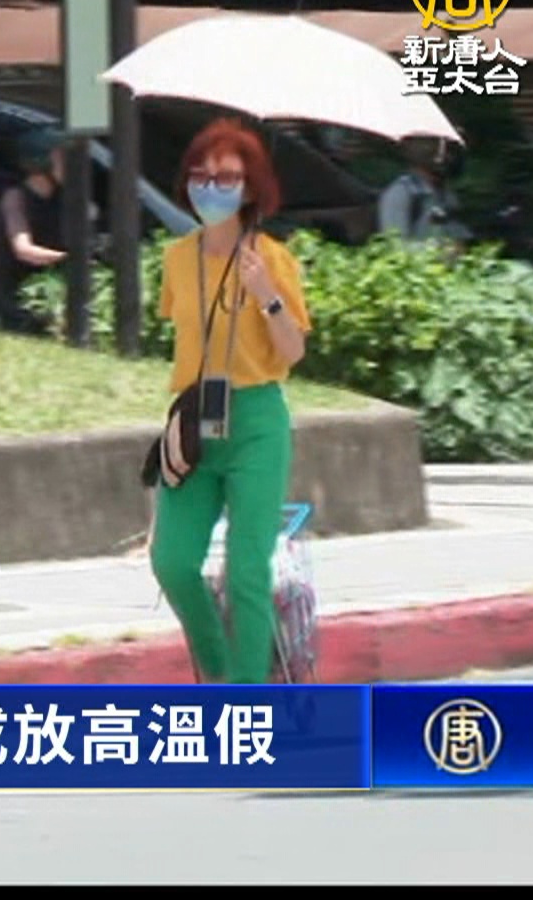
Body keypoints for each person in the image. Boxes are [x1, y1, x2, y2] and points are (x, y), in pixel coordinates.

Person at [149, 117, 313, 685]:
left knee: (247, 570)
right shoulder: (177, 258)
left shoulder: (272, 259)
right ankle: (219, 674)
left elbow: (292, 351)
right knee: (172, 562)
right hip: (194, 419)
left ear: (250, 189)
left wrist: (266, 294)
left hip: (256, 421)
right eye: (200, 175)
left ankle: (248, 701)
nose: (210, 187)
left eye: (226, 178)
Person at [0, 126, 74, 332]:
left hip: (58, 295)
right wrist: (68, 258)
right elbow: (24, 250)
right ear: (41, 162)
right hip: (24, 299)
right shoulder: (15, 198)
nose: (71, 164)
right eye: (62, 158)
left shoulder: (66, 197)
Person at [376, 137, 468, 244]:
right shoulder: (401, 193)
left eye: (449, 151)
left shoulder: (446, 194)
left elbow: (457, 231)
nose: (447, 158)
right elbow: (395, 244)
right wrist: (439, 249)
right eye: (436, 149)